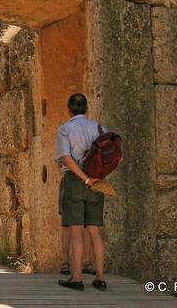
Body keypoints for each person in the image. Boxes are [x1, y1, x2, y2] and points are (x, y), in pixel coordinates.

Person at [55, 93, 107, 291]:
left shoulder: (65, 129)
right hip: (97, 182)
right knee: (94, 231)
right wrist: (96, 177)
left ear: (68, 109)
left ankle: (76, 277)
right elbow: (117, 156)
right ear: (87, 108)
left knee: (76, 230)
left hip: (75, 182)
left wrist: (84, 178)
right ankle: (100, 277)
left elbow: (66, 159)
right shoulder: (100, 128)